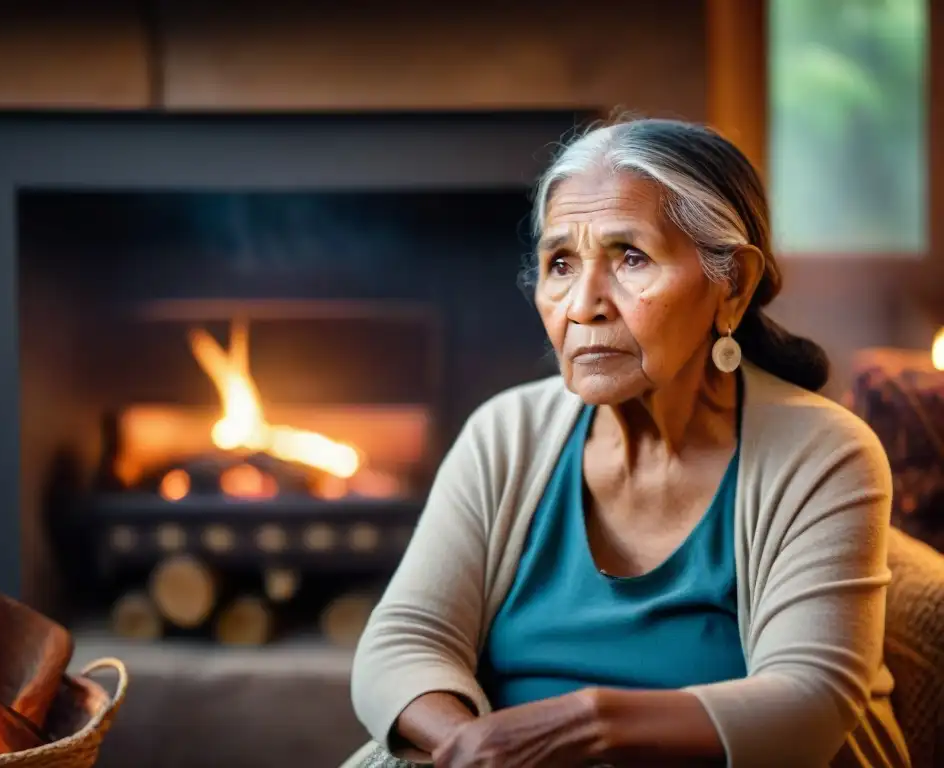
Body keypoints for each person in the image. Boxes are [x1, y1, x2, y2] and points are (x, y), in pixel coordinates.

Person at [347, 119, 910, 768]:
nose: (583, 304)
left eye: (631, 258)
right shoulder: (505, 434)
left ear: (733, 285)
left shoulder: (824, 454)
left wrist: (585, 725)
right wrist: (472, 750)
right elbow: (401, 644)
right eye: (560, 263)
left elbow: (807, 704)